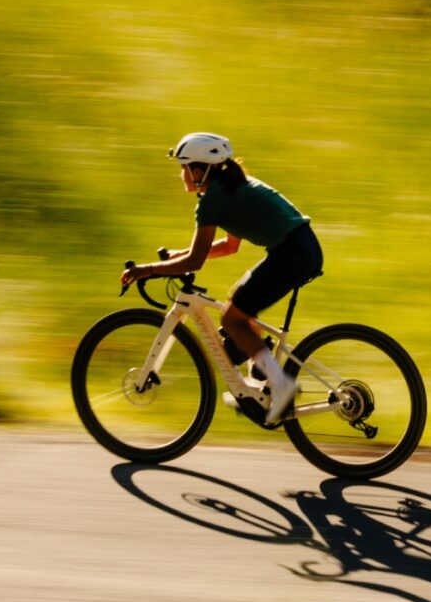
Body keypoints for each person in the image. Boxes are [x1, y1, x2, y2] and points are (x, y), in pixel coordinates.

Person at [119, 132, 322, 424]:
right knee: (236, 302)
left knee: (231, 319)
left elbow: (196, 261)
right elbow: (229, 246)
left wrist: (146, 270)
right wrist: (179, 254)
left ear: (199, 170)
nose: (181, 175)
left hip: (292, 254)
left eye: (183, 167)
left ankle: (282, 386)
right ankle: (260, 373)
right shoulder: (231, 187)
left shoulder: (214, 198)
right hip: (299, 248)